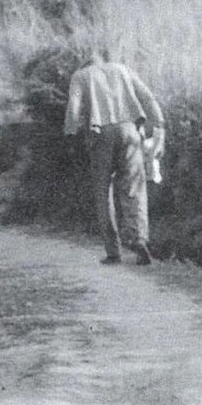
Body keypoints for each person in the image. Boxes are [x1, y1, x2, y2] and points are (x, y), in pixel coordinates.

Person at [63, 49, 165, 266]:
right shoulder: (122, 69)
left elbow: (73, 108)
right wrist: (159, 123)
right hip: (130, 130)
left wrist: (70, 136)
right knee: (134, 188)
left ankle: (113, 251)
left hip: (100, 134)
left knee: (103, 192)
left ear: (85, 63)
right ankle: (139, 239)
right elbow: (147, 96)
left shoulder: (81, 76)